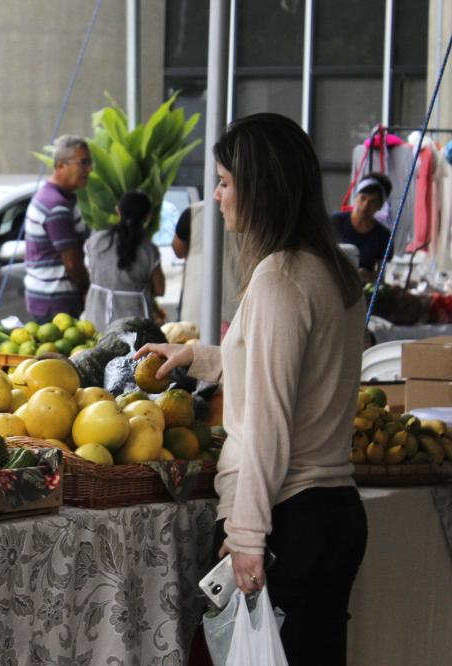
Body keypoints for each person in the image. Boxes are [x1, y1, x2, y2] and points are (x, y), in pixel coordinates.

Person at [138, 113, 366, 665]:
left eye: (224, 182)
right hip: (334, 514)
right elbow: (294, 371)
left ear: (259, 190)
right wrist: (198, 356)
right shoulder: (332, 270)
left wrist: (246, 537)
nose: (216, 197)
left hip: (289, 519)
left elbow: (268, 422)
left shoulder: (279, 280)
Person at [23, 135, 91, 322]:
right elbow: (72, 263)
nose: (89, 169)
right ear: (61, 165)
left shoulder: (53, 196)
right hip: (56, 303)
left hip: (48, 300)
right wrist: (88, 290)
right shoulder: (56, 205)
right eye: (83, 163)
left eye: (89, 162)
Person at [80, 190, 164, 331]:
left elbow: (91, 271)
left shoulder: (95, 241)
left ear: (118, 211)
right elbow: (160, 289)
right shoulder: (149, 250)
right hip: (134, 322)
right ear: (148, 216)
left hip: (97, 316)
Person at [330, 172, 393, 281]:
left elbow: (381, 277)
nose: (365, 206)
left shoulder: (383, 236)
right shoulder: (334, 222)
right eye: (363, 198)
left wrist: (368, 276)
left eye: (372, 202)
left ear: (380, 206)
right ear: (356, 197)